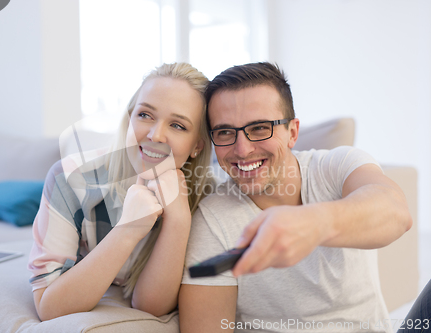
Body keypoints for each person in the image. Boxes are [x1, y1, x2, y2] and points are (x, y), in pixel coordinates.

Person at [179, 62, 413, 332]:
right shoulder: (212, 220)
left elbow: (395, 212)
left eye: (259, 128)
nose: (242, 150)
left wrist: (313, 224)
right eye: (225, 132)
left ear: (292, 132)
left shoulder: (336, 166)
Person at [28, 63, 215, 321]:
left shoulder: (210, 197)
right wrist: (128, 230)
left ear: (197, 145)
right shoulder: (69, 177)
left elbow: (150, 306)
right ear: (129, 118)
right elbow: (50, 307)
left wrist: (179, 220)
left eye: (178, 126)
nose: (155, 134)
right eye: (145, 115)